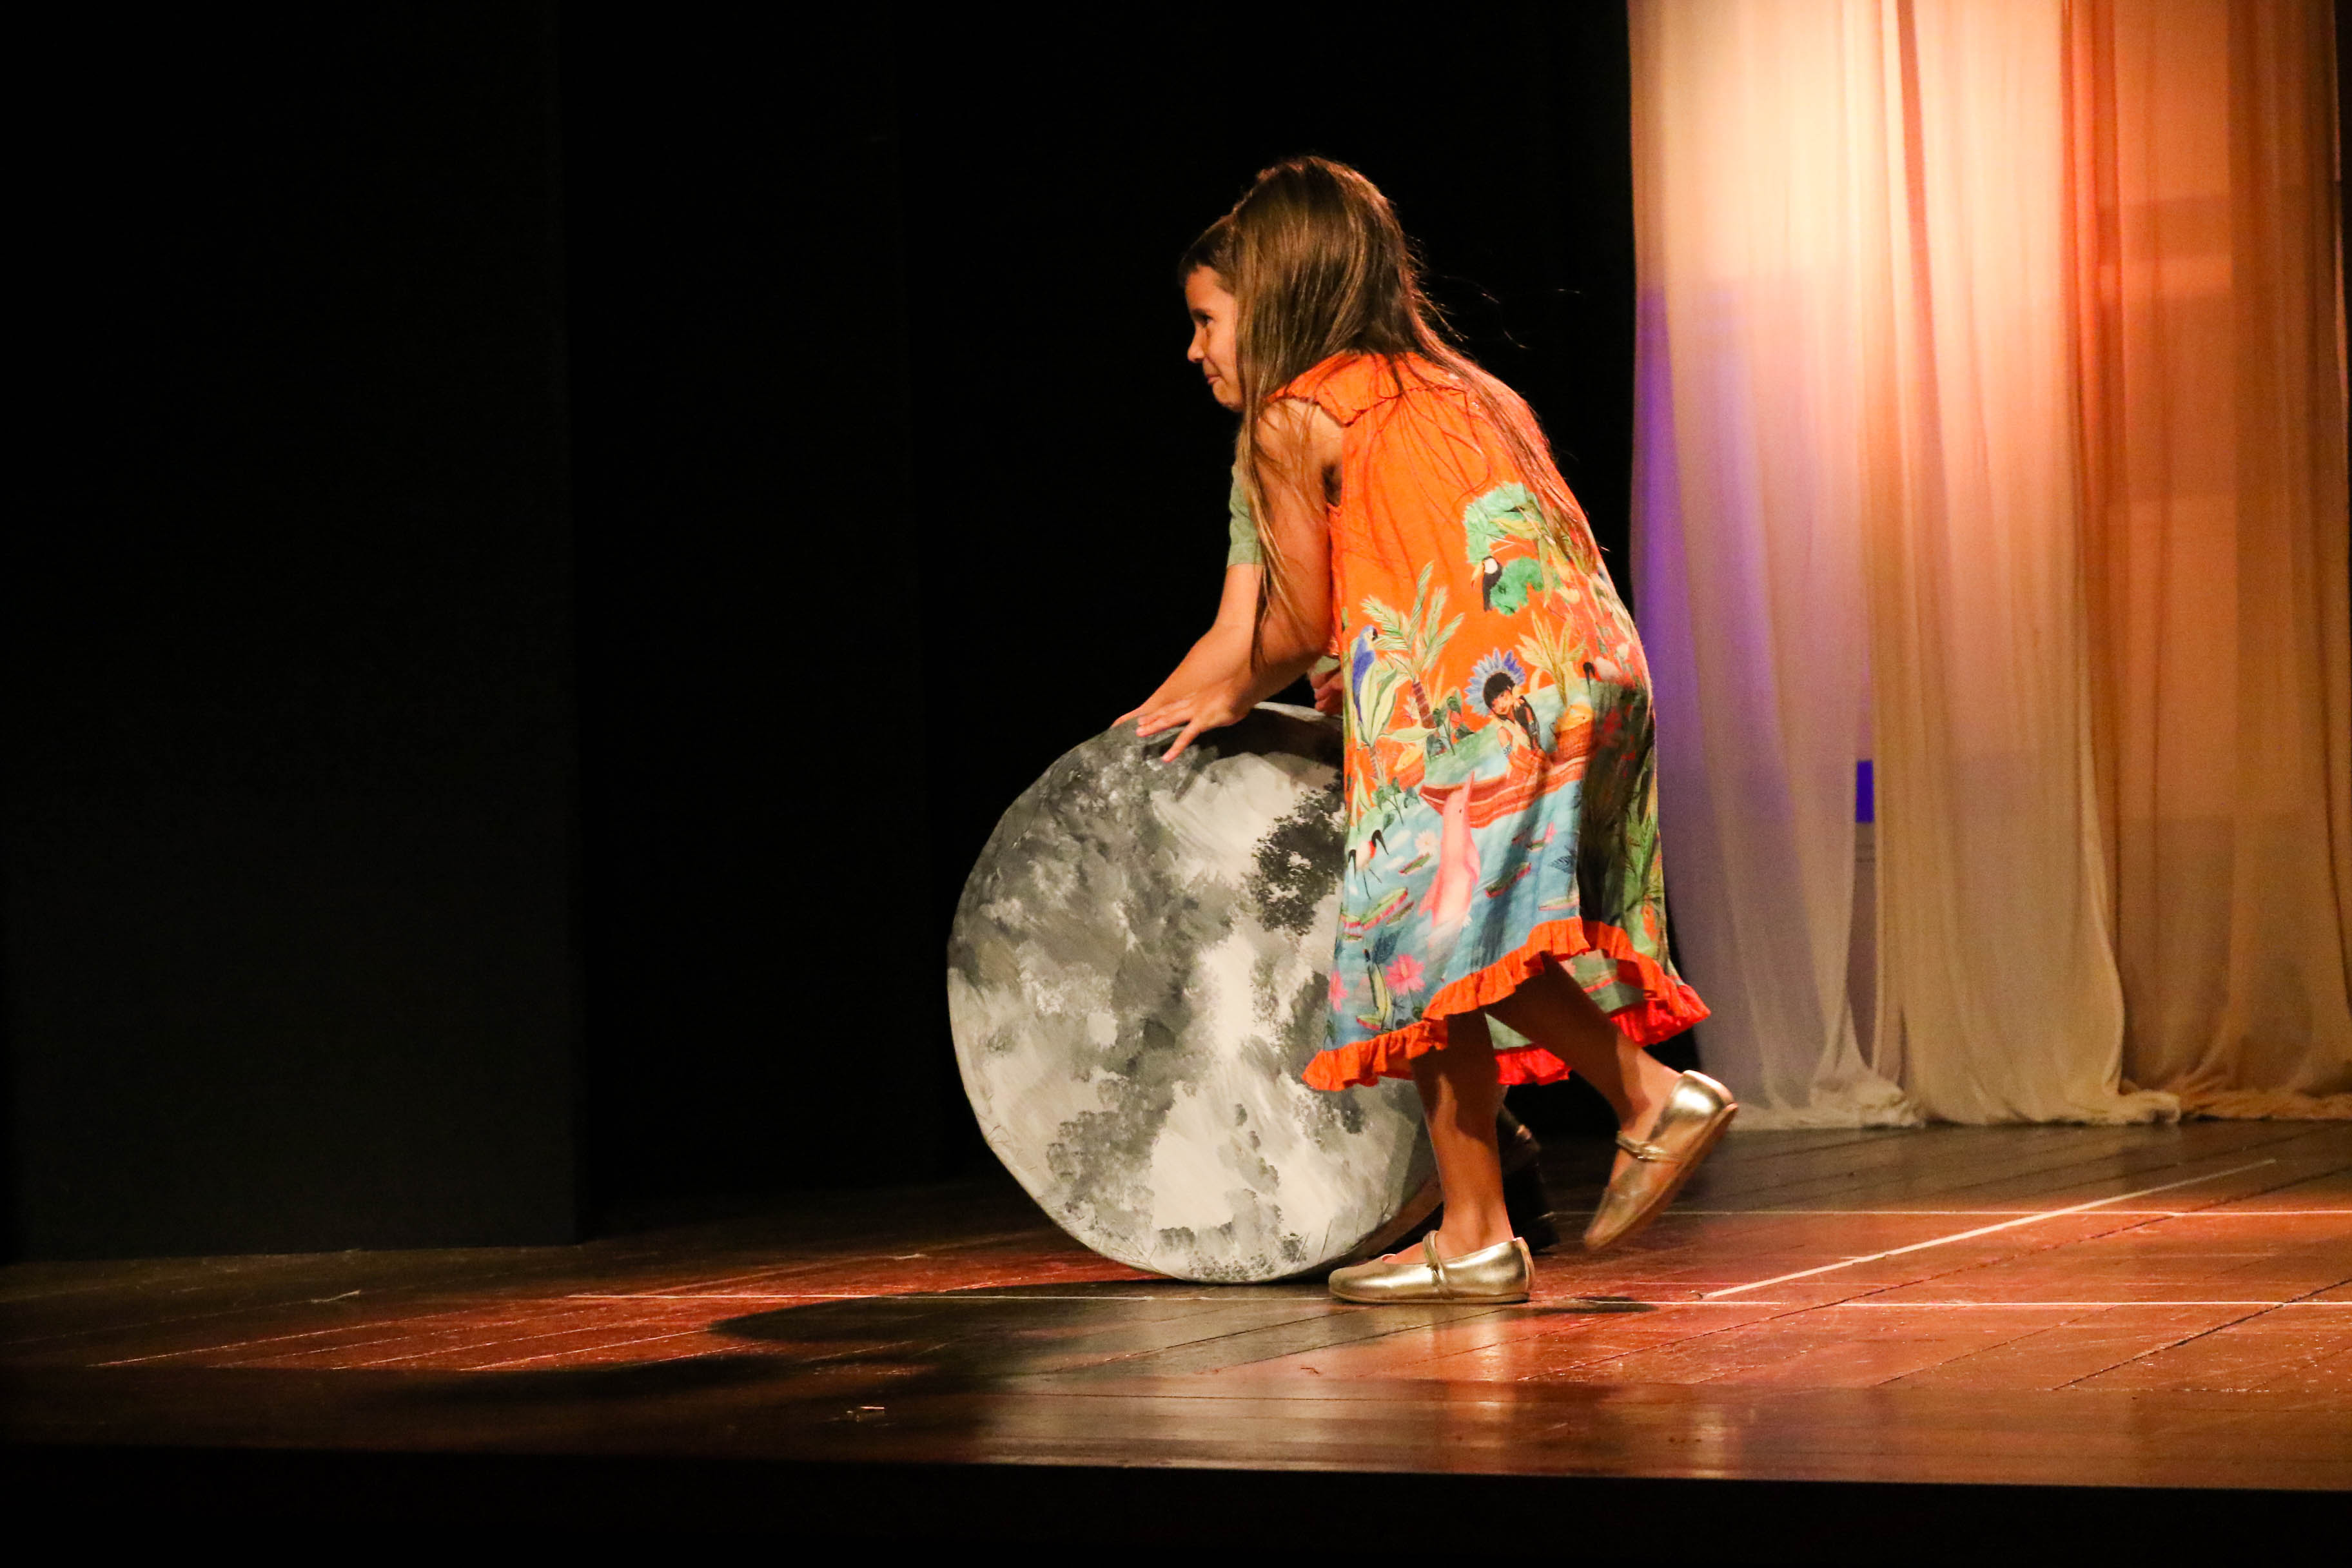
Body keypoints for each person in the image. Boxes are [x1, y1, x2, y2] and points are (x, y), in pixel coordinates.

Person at [1122, 157, 1732, 1305]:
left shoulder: (1294, 416)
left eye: (1207, 321)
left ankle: (1647, 1094)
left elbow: (1291, 621)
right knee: (1439, 944)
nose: (1194, 349)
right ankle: (1477, 1232)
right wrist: (1175, 708)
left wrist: (1226, 696)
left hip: (1468, 699)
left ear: (1277, 296)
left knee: (1428, 943)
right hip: (1587, 669)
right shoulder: (1468, 388)